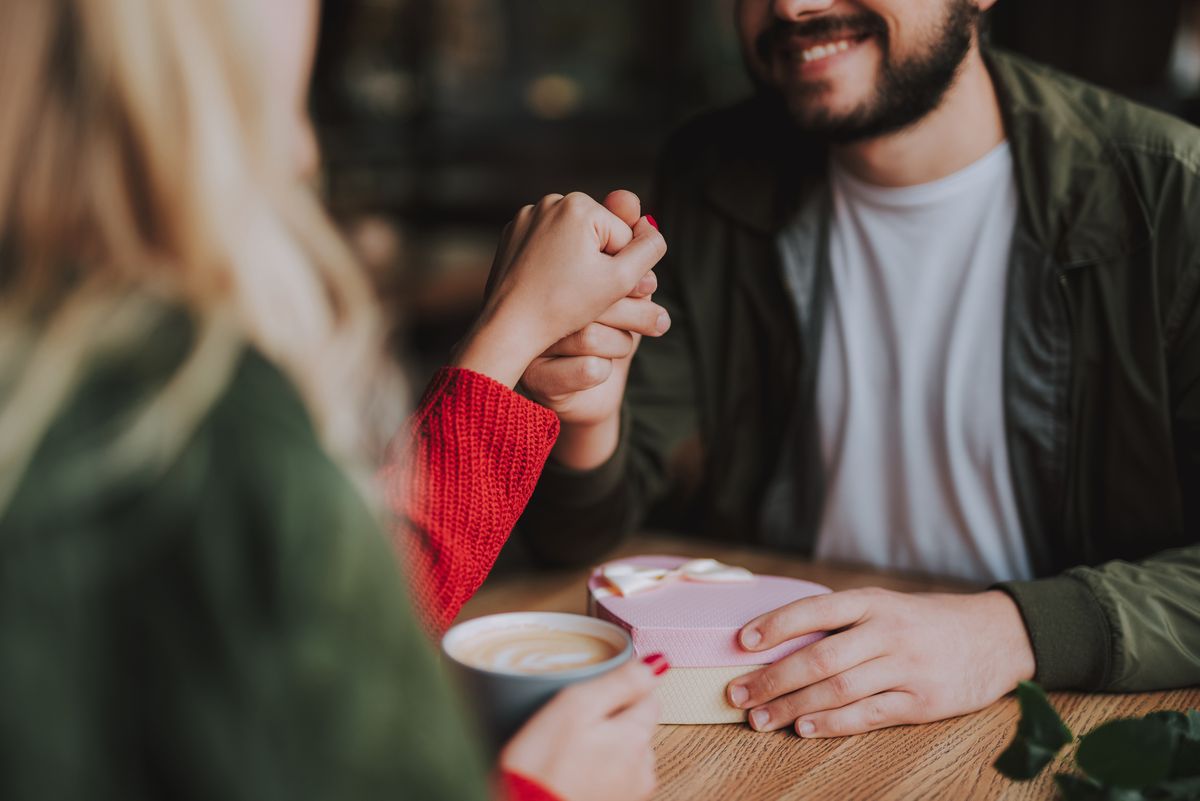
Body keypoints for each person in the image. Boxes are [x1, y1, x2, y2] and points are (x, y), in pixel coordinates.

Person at [0, 1, 668, 800]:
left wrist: (515, 340)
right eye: (283, 108)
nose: (304, 149)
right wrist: (535, 790)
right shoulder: (191, 420)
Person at [517, 0, 1200, 739]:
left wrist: (1010, 633)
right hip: (772, 706)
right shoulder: (712, 173)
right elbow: (576, 541)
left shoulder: (1171, 196)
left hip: (1065, 715)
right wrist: (585, 415)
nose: (789, 6)